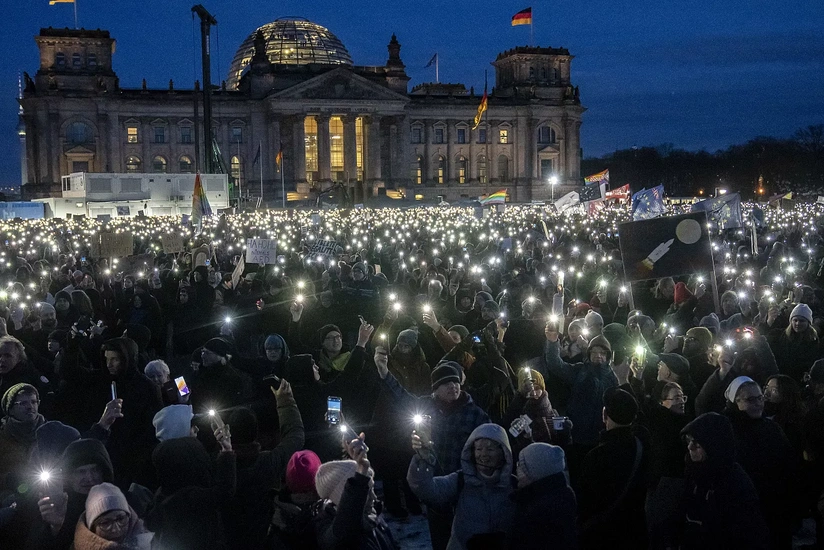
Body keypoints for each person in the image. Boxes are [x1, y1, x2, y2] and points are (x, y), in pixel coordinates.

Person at [376, 359, 489, 550]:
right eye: (446, 383)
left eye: (455, 382)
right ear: (435, 389)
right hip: (435, 483)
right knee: (440, 536)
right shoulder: (427, 409)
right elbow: (402, 397)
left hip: (465, 485)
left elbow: (491, 443)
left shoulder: (475, 414)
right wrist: (385, 374)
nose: (453, 386)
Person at [223, 379, 305, 550]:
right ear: (255, 433)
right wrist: (285, 403)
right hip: (260, 536)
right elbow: (296, 436)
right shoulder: (268, 461)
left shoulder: (217, 465)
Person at [408, 423, 516, 550]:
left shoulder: (514, 486)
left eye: (490, 449)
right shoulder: (461, 480)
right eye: (479, 449)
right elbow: (425, 489)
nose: (484, 454)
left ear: (503, 453)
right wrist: (423, 458)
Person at [722, 376, 799, 550]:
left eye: (759, 398)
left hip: (775, 511)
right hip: (743, 514)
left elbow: (789, 466)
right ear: (736, 402)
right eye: (750, 399)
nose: (758, 403)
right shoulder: (726, 431)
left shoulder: (771, 428)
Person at [679, 413, 768, 549]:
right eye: (688, 440)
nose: (690, 447)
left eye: (697, 443)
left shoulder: (734, 483)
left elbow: (748, 534)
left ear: (714, 445)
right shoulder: (693, 471)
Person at [577, 388, 648, 549]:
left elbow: (586, 502)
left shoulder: (596, 456)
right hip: (635, 531)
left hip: (604, 535)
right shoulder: (641, 445)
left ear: (604, 415)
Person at [313, 433, 397, 550]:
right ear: (344, 495)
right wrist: (359, 479)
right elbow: (347, 523)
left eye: (372, 489)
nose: (374, 497)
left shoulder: (373, 518)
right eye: (366, 492)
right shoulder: (331, 532)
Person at [507, 442, 578, 550]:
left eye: (521, 466)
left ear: (535, 472)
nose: (517, 471)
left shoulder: (539, 510)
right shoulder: (561, 494)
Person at [72, 482, 152, 549]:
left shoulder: (152, 544)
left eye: (121, 519)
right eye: (105, 523)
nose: (115, 529)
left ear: (130, 518)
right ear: (93, 527)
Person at [0, 383, 45, 482]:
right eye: (23, 403)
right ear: (10, 409)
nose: (30, 407)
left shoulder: (50, 433)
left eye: (34, 402)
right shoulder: (3, 437)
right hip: (10, 491)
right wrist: (9, 479)